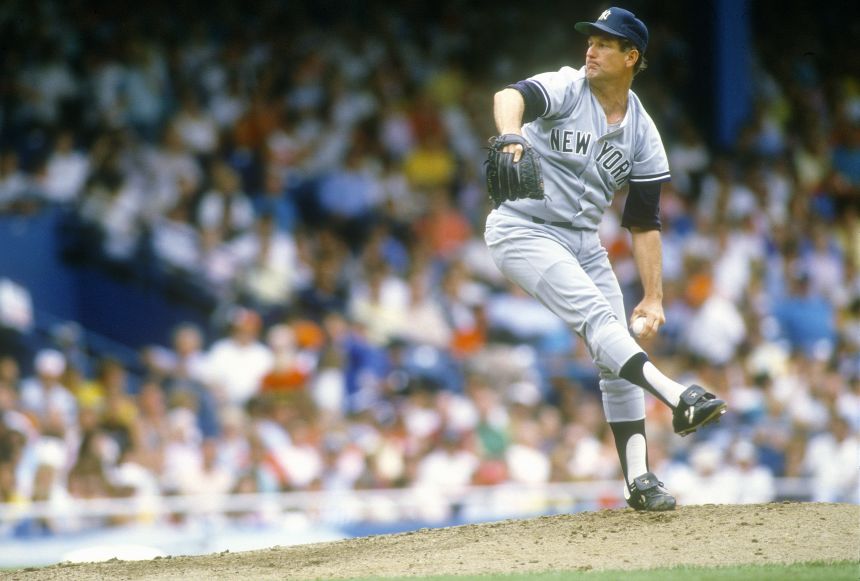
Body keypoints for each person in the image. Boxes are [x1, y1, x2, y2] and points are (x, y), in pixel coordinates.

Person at [484, 7, 727, 511]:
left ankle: (639, 480)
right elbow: (510, 96)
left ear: (631, 57)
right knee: (598, 319)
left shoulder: (642, 132)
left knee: (613, 347)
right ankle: (679, 396)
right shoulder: (567, 87)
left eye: (605, 43)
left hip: (581, 241)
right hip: (523, 229)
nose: (590, 49)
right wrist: (510, 134)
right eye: (590, 40)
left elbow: (644, 221)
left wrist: (655, 295)